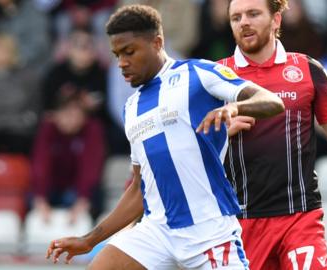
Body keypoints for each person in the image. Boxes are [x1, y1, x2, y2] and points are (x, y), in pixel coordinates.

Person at [46, 4, 284, 269]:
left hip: (208, 232)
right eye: (116, 55)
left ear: (157, 42)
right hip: (156, 232)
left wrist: (234, 106)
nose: (122, 63)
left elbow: (271, 101)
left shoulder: (198, 73)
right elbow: (139, 188)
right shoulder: (131, 107)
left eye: (129, 52)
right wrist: (89, 240)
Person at [218, 0, 327, 269]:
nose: (243, 22)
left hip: (300, 217)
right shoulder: (214, 75)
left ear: (276, 19)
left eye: (253, 14)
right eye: (236, 17)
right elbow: (190, 151)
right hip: (240, 222)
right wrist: (221, 134)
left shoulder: (307, 69)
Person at [31, 92, 106, 224]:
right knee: (31, 197)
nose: (72, 120)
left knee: (95, 196)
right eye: (67, 115)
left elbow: (90, 167)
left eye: (77, 116)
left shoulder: (92, 129)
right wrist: (41, 199)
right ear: (55, 114)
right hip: (51, 188)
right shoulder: (48, 128)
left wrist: (82, 200)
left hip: (78, 190)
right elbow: (41, 164)